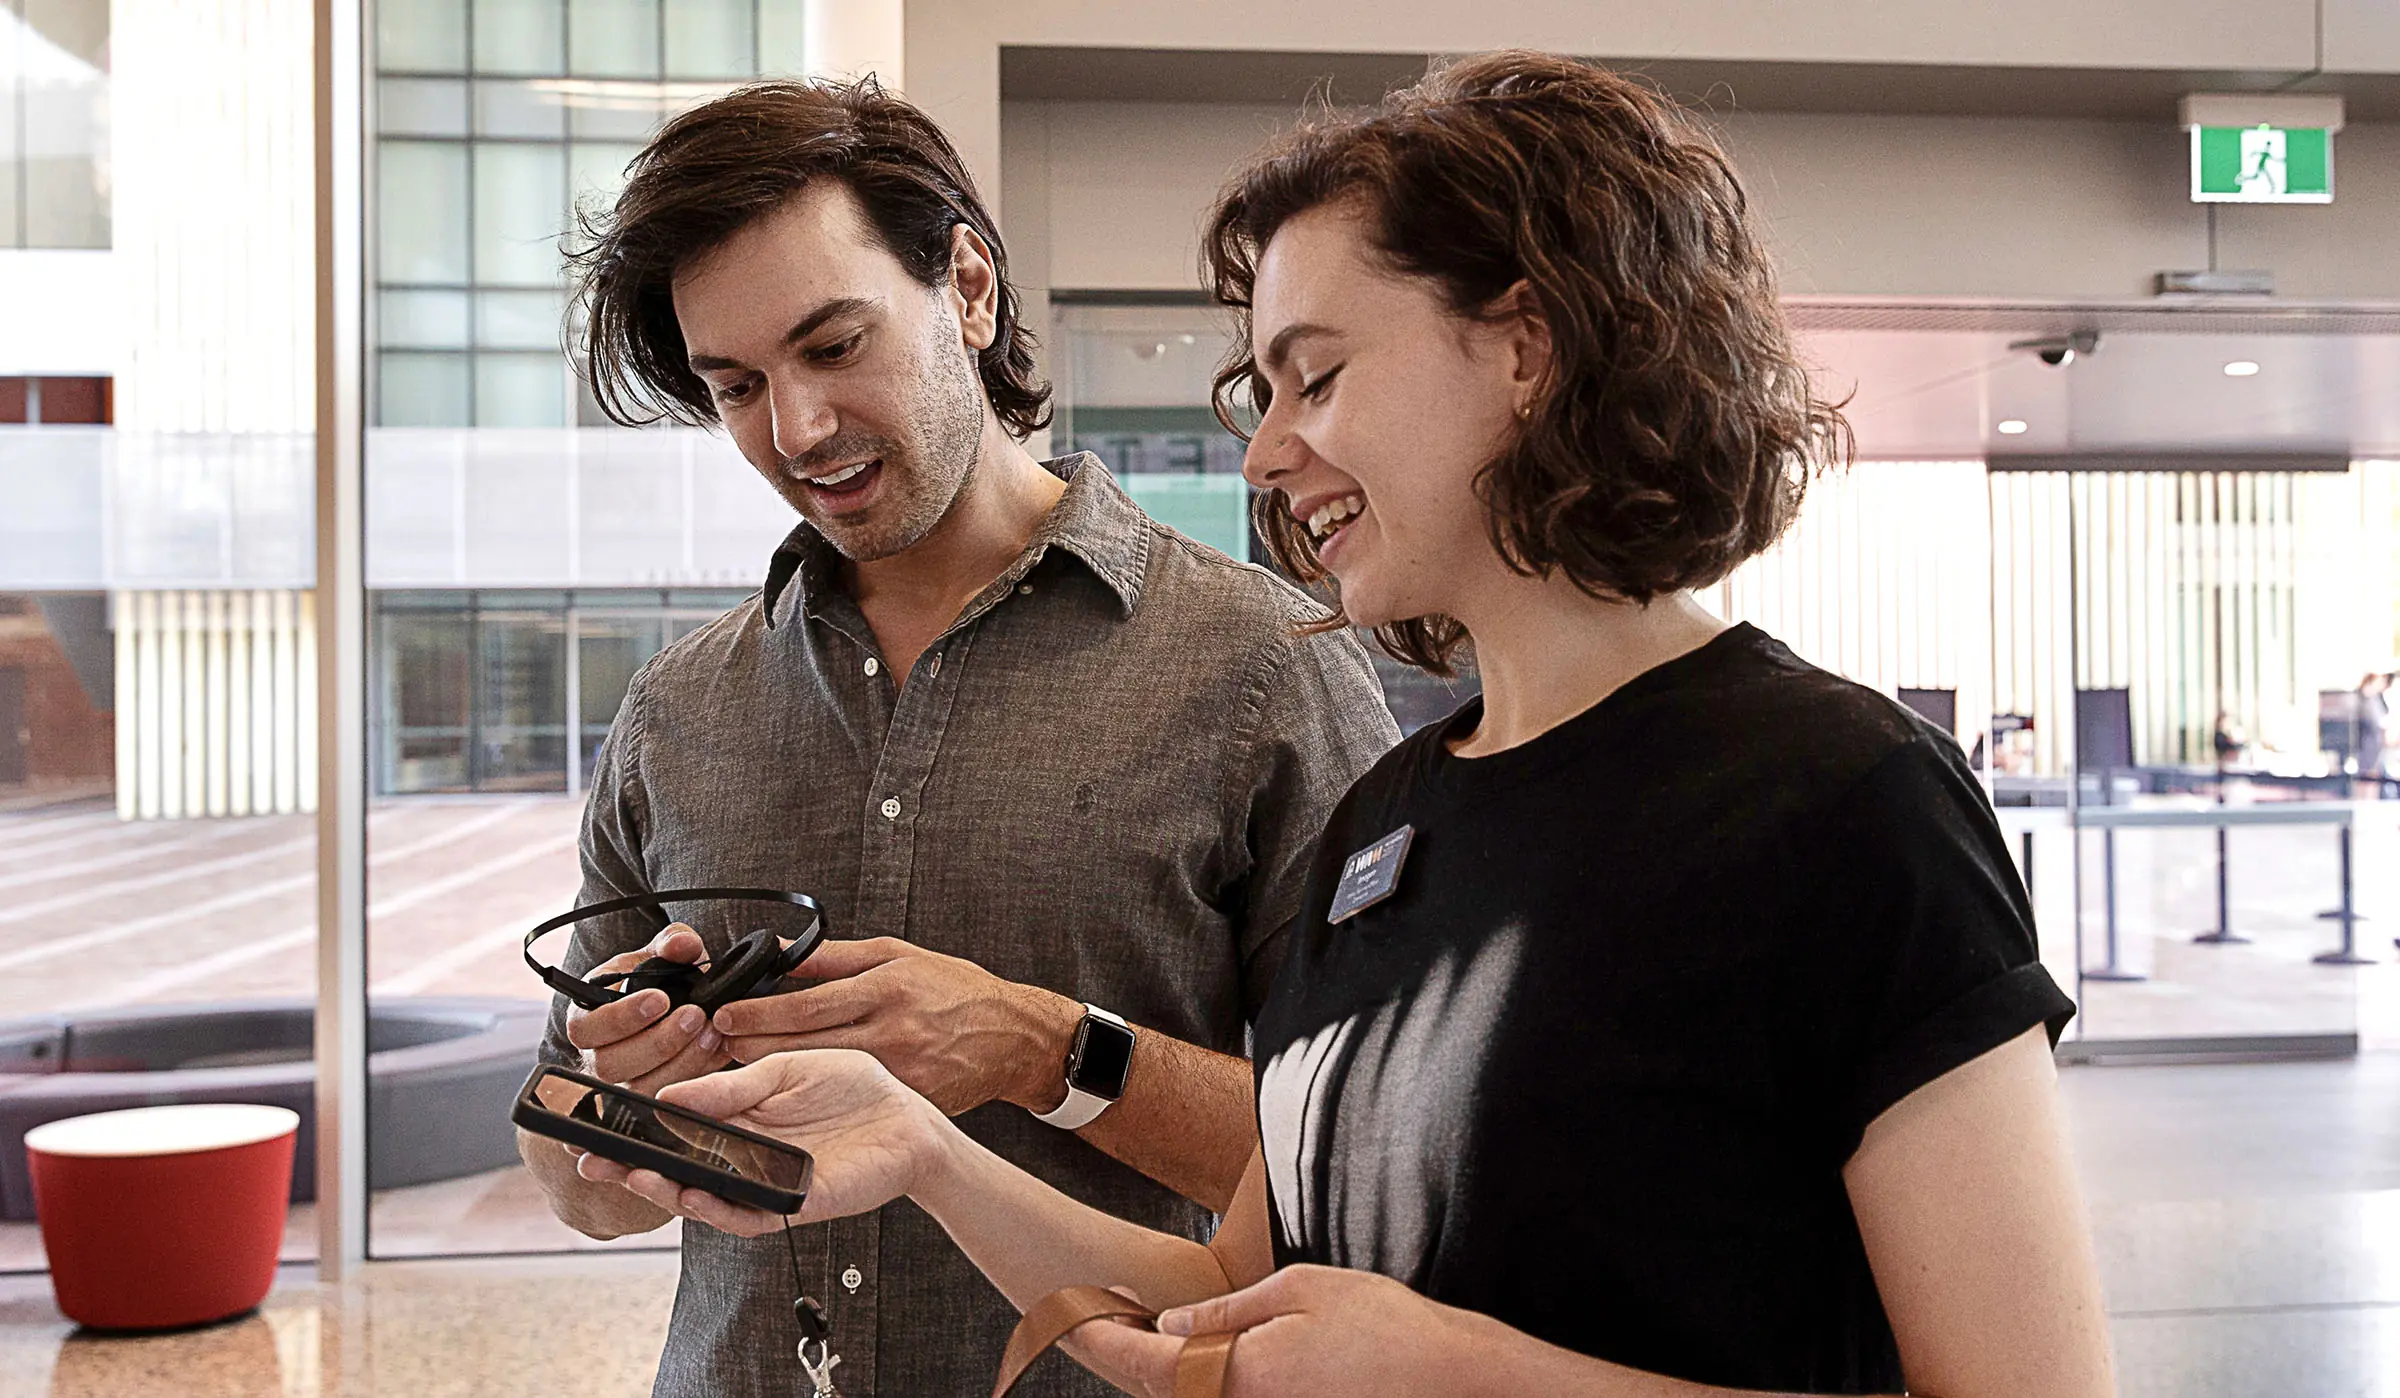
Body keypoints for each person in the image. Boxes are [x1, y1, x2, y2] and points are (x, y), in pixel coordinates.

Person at [580, 52, 2117, 1398]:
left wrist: (1470, 1376)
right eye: (1262, 386)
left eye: (1313, 376)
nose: (1265, 452)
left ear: (1529, 347)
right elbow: (1237, 1303)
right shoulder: (1395, 820)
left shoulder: (1842, 800)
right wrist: (918, 1147)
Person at [520, 77, 1397, 1398]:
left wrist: (1039, 1044)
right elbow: (576, 1181)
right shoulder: (678, 708)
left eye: (834, 346)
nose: (797, 429)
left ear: (970, 287)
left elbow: (1378, 1160)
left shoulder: (1266, 670)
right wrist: (622, 1108)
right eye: (739, 384)